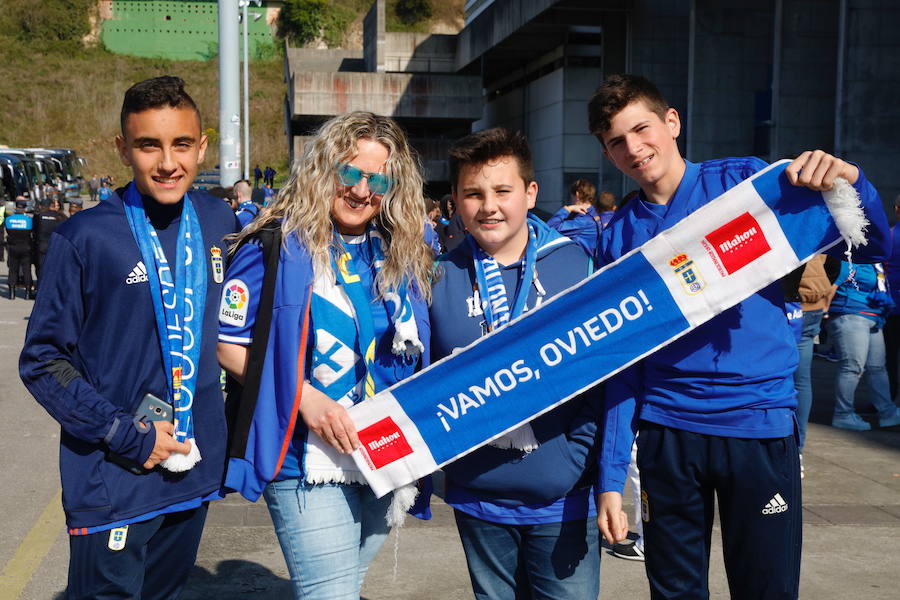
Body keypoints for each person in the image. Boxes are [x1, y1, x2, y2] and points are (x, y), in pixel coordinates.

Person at [589, 74, 890, 599]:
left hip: (758, 426)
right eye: (617, 140)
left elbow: (869, 247)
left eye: (642, 129)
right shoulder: (617, 236)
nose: (634, 148)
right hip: (667, 434)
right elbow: (621, 363)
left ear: (672, 122)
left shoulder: (746, 185)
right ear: (608, 153)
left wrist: (850, 181)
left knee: (766, 589)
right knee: (675, 592)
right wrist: (611, 478)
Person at [19, 75, 237, 600]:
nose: (168, 162)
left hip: (191, 471)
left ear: (202, 145)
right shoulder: (86, 237)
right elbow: (43, 361)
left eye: (182, 144)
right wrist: (125, 434)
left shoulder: (217, 219)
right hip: (114, 476)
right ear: (123, 148)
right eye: (148, 145)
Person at [217, 111, 434, 600]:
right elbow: (226, 342)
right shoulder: (274, 243)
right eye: (350, 172)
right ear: (324, 169)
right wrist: (303, 398)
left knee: (345, 587)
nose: (362, 190)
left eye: (378, 178)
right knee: (329, 593)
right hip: (302, 455)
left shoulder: (399, 250)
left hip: (383, 451)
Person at [430, 127, 602, 600]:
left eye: (503, 191)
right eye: (473, 193)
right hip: (477, 495)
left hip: (562, 501)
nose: (489, 206)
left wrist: (575, 458)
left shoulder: (575, 266)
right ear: (455, 202)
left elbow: (601, 375)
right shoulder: (438, 275)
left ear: (530, 193)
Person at [826, 261, 900, 430]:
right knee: (852, 368)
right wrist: (824, 309)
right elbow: (834, 282)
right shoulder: (849, 256)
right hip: (850, 313)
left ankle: (887, 412)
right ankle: (843, 414)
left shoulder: (874, 260)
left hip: (873, 316)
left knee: (877, 368)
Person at [545, 178, 603, 253]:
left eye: (571, 196)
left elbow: (550, 227)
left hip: (582, 261)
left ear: (577, 194)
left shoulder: (583, 221)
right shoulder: (594, 214)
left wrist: (568, 209)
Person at [5, 196, 33, 300]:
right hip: (26, 247)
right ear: (25, 209)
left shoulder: (8, 219)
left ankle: (12, 293)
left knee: (12, 270)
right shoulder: (29, 220)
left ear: (16, 208)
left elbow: (8, 232)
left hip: (13, 247)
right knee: (26, 270)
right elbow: (31, 233)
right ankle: (27, 293)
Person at [33, 197, 67, 281]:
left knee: (40, 267)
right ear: (51, 206)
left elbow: (34, 230)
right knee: (54, 267)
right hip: (55, 245)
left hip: (41, 245)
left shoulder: (38, 216)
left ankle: (40, 287)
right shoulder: (59, 216)